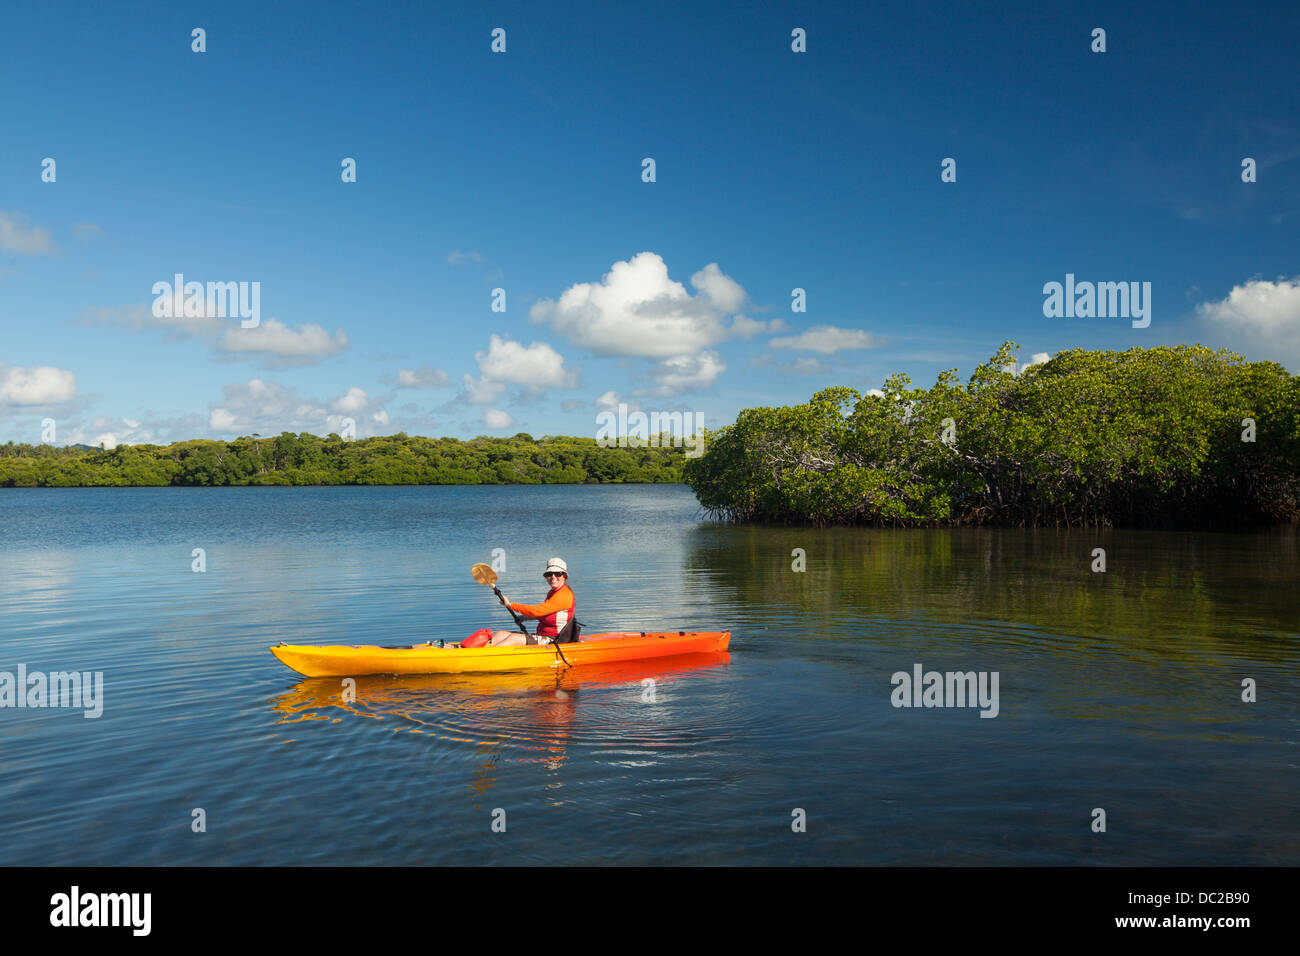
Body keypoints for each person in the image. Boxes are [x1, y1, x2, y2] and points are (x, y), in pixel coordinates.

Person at [487, 558, 577, 646]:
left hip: (554, 639)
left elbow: (538, 611)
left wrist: (510, 605)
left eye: (558, 574)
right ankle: (481, 653)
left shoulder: (564, 595)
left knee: (513, 638)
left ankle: (487, 657)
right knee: (500, 634)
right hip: (542, 636)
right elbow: (545, 614)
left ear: (565, 576)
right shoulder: (553, 592)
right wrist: (524, 618)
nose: (553, 577)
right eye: (549, 574)